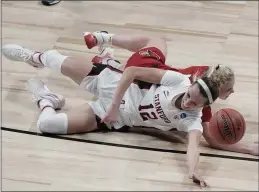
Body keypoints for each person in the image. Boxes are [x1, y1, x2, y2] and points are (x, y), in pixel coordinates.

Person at [2, 42, 223, 187]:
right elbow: (132, 72)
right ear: (191, 86)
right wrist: (115, 104)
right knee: (53, 60)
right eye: (189, 95)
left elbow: (193, 146)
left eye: (193, 103)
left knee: (46, 125)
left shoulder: (192, 120)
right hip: (111, 84)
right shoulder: (179, 81)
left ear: (201, 107)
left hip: (112, 118)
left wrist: (193, 170)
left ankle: (47, 99)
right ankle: (33, 56)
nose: (188, 101)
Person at [84, 31, 258, 157]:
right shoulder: (201, 102)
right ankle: (104, 42)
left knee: (157, 42)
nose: (232, 91)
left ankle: (105, 47)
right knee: (154, 40)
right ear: (217, 88)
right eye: (229, 89)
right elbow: (212, 140)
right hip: (144, 73)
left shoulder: (203, 73)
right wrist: (248, 149)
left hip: (151, 73)